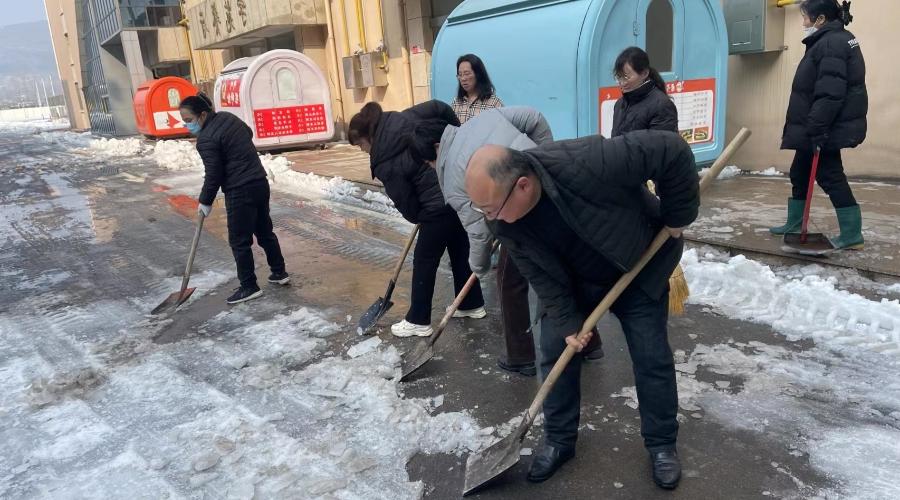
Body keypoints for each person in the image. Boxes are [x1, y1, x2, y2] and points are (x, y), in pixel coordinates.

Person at [465, 130, 699, 489]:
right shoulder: (502, 221)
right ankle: (559, 441)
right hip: (573, 283)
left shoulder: (588, 161)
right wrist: (567, 320)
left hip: (635, 267)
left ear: (523, 186)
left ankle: (662, 444)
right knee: (554, 349)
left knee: (651, 356)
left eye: (491, 207)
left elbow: (672, 150)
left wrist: (677, 214)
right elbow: (538, 274)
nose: (489, 217)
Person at [407, 107, 604, 376]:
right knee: (563, 269)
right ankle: (591, 345)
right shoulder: (482, 119)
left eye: (429, 162)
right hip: (542, 189)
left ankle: (521, 356)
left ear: (437, 146)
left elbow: (478, 230)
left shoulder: (454, 174)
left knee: (512, 283)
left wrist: (478, 266)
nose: (432, 167)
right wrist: (541, 159)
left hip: (517, 214)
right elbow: (535, 117)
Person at [348, 101, 485, 337]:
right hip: (455, 191)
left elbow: (404, 199)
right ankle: (471, 305)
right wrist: (455, 135)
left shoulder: (384, 159)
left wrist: (418, 216)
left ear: (368, 136)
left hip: (434, 207)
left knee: (424, 261)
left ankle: (418, 320)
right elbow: (439, 107)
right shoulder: (401, 118)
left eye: (360, 144)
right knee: (459, 251)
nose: (362, 150)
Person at [770, 0, 866, 250]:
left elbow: (830, 92)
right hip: (820, 124)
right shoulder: (834, 38)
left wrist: (817, 127)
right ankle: (794, 223)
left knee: (830, 175)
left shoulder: (831, 43)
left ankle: (852, 234)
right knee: (800, 172)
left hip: (825, 127)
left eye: (805, 17)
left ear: (820, 19)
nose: (803, 23)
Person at [180, 94, 289, 305]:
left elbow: (214, 174)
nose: (187, 125)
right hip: (259, 181)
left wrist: (205, 201)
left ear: (202, 115)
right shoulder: (228, 118)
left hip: (240, 190)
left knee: (239, 241)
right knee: (265, 231)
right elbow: (247, 133)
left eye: (188, 120)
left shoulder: (206, 140)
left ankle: (249, 286)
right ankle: (279, 272)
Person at [611, 46, 678, 136]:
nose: (622, 83)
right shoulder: (619, 104)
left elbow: (661, 146)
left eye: (626, 77)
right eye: (619, 77)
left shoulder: (662, 106)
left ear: (644, 74)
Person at [450, 54, 503, 124]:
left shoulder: (494, 104)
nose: (463, 79)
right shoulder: (456, 103)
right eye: (460, 74)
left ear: (478, 74)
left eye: (467, 73)